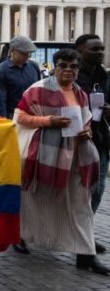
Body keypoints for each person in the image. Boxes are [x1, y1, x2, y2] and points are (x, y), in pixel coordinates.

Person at [15, 48, 108, 275]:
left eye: (73, 66)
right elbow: (20, 117)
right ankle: (21, 236)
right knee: (33, 202)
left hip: (77, 158)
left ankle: (86, 256)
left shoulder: (80, 92)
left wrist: (87, 132)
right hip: (45, 156)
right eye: (63, 66)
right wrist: (49, 120)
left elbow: (84, 118)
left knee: (82, 207)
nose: (68, 70)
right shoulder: (37, 89)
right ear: (54, 67)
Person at [74, 35, 110, 254]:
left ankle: (84, 238)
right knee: (75, 193)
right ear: (80, 51)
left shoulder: (104, 76)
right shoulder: (71, 75)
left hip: (100, 139)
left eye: (102, 49)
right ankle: (82, 242)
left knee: (97, 191)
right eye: (94, 49)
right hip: (76, 141)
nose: (100, 52)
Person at [0, 35, 40, 119]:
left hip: (34, 118)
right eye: (23, 53)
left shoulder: (34, 66)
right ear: (12, 50)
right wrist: (4, 122)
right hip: (13, 119)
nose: (27, 56)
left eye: (29, 53)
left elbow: (39, 92)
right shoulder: (0, 71)